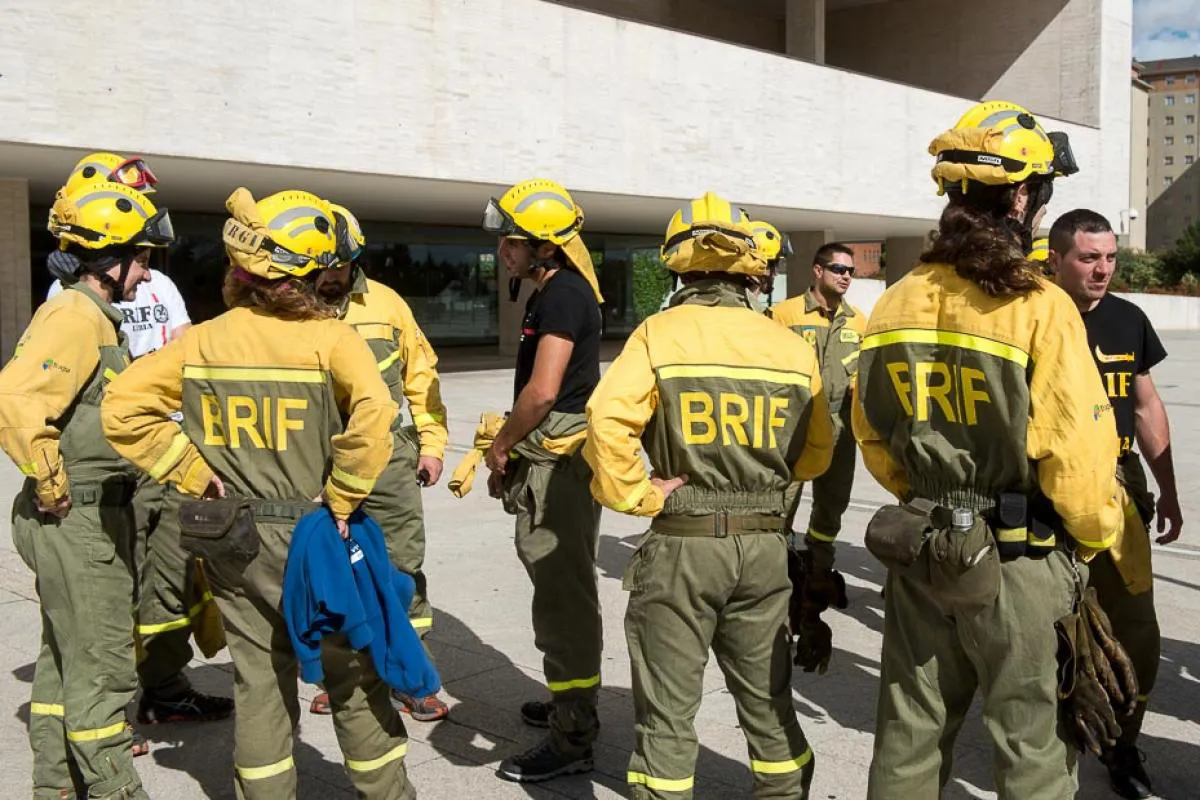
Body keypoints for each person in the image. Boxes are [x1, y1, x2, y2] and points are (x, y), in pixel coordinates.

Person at [101, 187, 416, 800]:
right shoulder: (333, 341)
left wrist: (189, 472)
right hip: (317, 535)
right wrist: (345, 499)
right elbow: (377, 416)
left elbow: (123, 408)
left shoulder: (202, 340)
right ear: (309, 274)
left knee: (259, 681)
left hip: (229, 534)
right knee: (352, 676)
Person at [853, 100, 1124, 798]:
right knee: (1033, 750)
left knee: (908, 737)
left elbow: (874, 439)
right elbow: (1080, 456)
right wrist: (1090, 542)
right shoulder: (1039, 304)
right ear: (1026, 196)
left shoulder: (893, 301)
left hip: (923, 548)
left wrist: (933, 494)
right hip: (1022, 559)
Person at [584, 191, 835, 799]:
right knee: (770, 703)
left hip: (684, 545)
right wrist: (767, 487)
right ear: (750, 269)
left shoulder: (657, 335)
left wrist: (641, 494)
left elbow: (604, 421)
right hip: (766, 545)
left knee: (669, 715)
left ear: (677, 266)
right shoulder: (792, 346)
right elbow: (818, 450)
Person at [0, 179, 174, 799]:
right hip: (76, 518)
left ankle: (57, 789)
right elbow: (17, 400)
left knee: (64, 662)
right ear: (110, 258)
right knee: (103, 668)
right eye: (143, 259)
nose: (148, 276)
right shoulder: (74, 317)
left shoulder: (93, 318)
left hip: (88, 515)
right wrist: (51, 484)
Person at [47, 156, 231, 735]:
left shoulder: (164, 286)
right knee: (115, 583)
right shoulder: (70, 296)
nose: (147, 267)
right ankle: (113, 710)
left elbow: (184, 350)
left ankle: (166, 688)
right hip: (112, 455)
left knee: (171, 573)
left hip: (167, 444)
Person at [1048, 208, 1182, 799]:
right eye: (1088, 257)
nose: (1103, 269)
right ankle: (1050, 745)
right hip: (1046, 489)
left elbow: (1148, 405)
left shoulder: (1129, 319)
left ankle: (1123, 743)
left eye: (1109, 257)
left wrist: (1168, 487)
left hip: (1119, 485)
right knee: (1046, 628)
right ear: (1056, 260)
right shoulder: (1033, 318)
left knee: (1138, 633)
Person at [304, 201, 451, 722]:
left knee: (402, 570)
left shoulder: (387, 306)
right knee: (330, 575)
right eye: (317, 268)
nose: (327, 278)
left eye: (336, 268)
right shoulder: (291, 309)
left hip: (389, 462)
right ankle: (340, 676)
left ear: (354, 261)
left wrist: (432, 445)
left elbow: (421, 375)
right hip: (317, 464)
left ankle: (413, 679)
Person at [479, 178, 605, 782]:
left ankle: (574, 733)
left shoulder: (563, 297)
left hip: (557, 467)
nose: (503, 251)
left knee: (563, 595)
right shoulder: (554, 292)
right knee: (557, 588)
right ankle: (566, 700)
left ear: (545, 248)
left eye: (512, 241)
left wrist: (502, 446)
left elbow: (544, 389)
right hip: (553, 460)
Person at [768, 242, 866, 584]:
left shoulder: (859, 322)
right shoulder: (784, 315)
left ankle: (819, 568)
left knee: (832, 504)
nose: (846, 277)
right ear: (817, 270)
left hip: (841, 429)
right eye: (839, 269)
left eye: (851, 271)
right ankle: (773, 574)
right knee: (782, 502)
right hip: (796, 428)